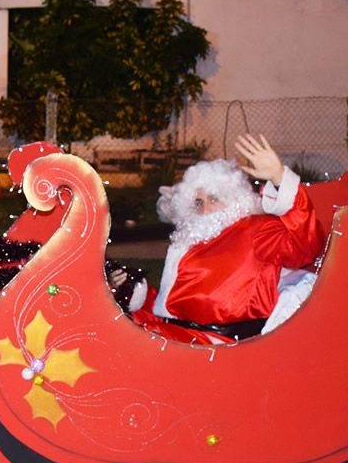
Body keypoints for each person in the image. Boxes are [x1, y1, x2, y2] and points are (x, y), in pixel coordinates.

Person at [115, 134, 325, 345]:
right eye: (198, 203)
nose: (205, 209)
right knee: (112, 323)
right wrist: (134, 289)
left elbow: (305, 247)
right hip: (179, 334)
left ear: (234, 199)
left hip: (219, 344)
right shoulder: (191, 239)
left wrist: (279, 179)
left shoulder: (255, 228)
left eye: (214, 199)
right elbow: (172, 306)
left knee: (135, 343)